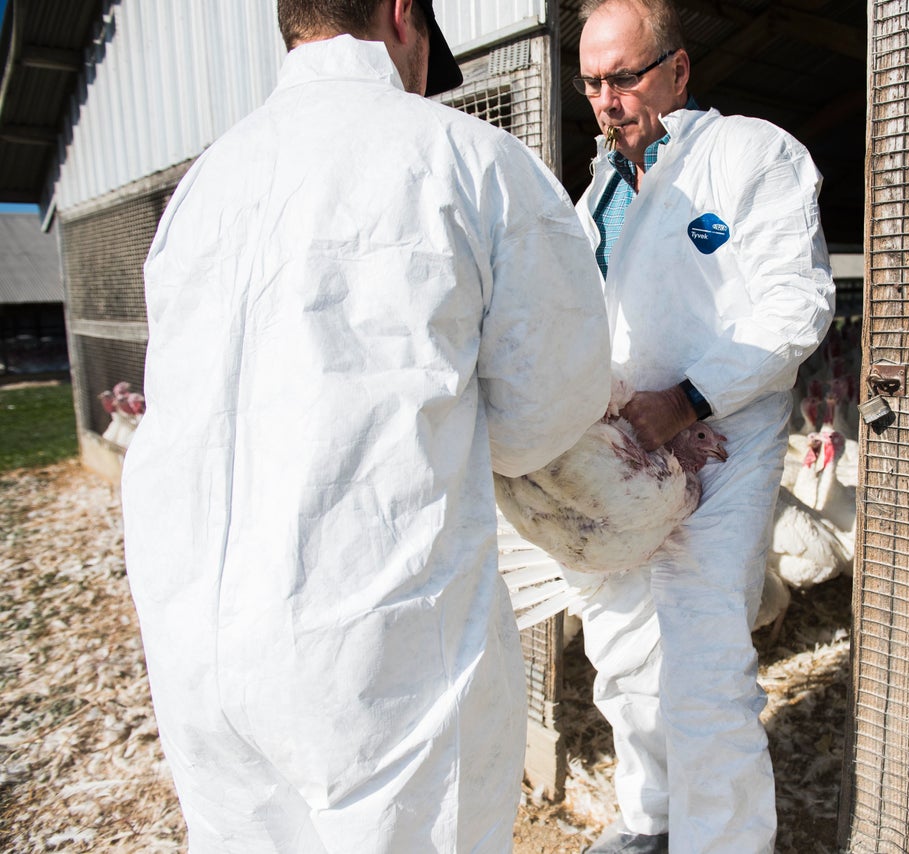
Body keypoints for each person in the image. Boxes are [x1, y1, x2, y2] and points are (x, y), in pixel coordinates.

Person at [120, 1, 612, 851]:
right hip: (373, 655)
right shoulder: (469, 159)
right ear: (399, 14)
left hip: (194, 642)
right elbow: (549, 407)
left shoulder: (207, 182)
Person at [563, 1, 835, 851]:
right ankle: (650, 821)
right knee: (619, 650)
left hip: (719, 446)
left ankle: (722, 841)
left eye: (625, 77)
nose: (608, 99)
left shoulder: (751, 156)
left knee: (702, 660)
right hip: (622, 454)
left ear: (678, 71)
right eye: (593, 83)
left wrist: (685, 399)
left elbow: (798, 306)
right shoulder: (600, 188)